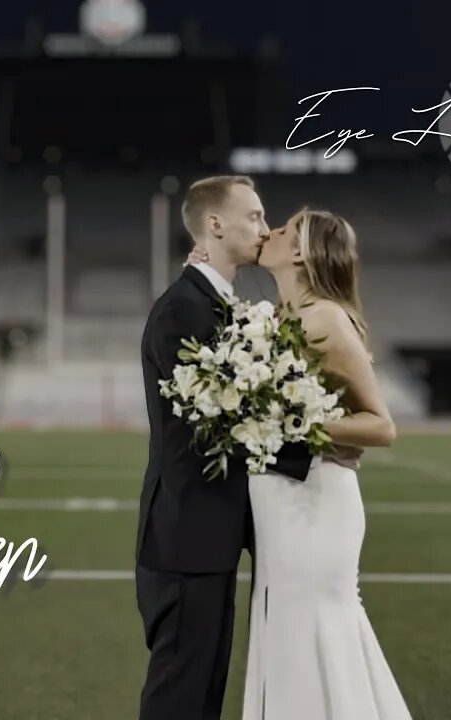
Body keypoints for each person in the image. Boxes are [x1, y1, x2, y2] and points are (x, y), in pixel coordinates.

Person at [191, 208, 412, 719]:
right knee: (284, 628)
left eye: (286, 229)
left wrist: (289, 423)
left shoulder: (326, 318)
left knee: (317, 627)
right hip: (279, 501)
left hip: (317, 502)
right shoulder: (275, 316)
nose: (271, 232)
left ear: (300, 252)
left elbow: (381, 425)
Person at [135, 176, 315, 720]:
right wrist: (312, 454)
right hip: (187, 535)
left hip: (208, 534)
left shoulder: (212, 302)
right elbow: (221, 426)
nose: (264, 228)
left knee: (204, 689)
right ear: (215, 225)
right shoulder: (183, 311)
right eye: (255, 217)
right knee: (182, 694)